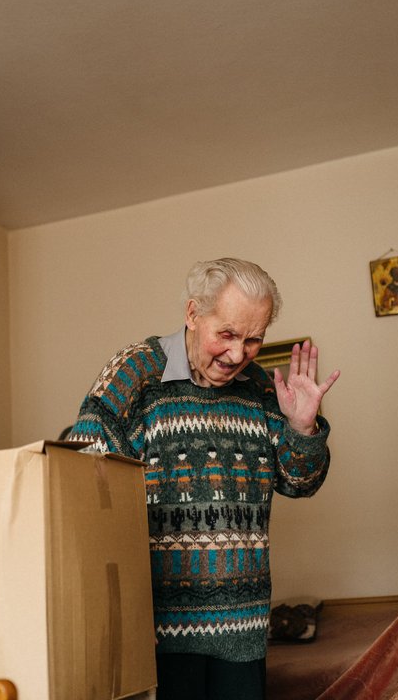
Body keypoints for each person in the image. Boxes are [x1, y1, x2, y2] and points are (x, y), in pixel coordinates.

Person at [65, 257, 339, 700]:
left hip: (243, 630)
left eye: (253, 339)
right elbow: (83, 487)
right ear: (193, 314)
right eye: (227, 335)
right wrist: (123, 612)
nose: (238, 355)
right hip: (155, 633)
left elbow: (299, 482)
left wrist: (302, 428)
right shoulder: (135, 374)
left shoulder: (259, 388)